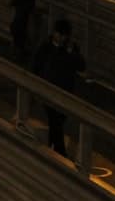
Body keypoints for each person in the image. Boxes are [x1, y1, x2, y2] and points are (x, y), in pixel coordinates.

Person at [33, 18, 86, 156]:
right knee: (55, 121)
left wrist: (71, 53)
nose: (62, 38)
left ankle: (52, 150)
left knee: (57, 123)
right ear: (55, 33)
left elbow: (81, 66)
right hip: (48, 90)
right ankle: (60, 153)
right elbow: (36, 65)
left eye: (65, 35)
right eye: (60, 34)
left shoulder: (70, 49)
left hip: (65, 92)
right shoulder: (46, 47)